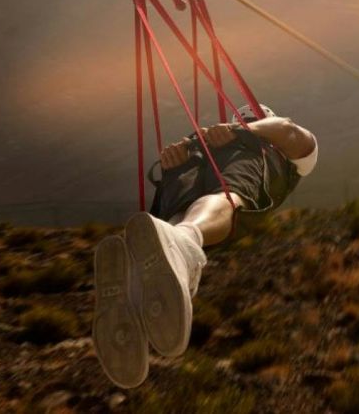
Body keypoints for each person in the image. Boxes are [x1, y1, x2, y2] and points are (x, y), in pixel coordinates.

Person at [91, 103, 317, 388]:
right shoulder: (214, 140)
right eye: (241, 120)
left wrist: (239, 131)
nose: (245, 123)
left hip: (242, 173)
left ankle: (183, 247)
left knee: (227, 195)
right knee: (176, 215)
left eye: (252, 120)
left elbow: (286, 130)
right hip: (205, 171)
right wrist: (178, 158)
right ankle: (146, 295)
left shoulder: (289, 151)